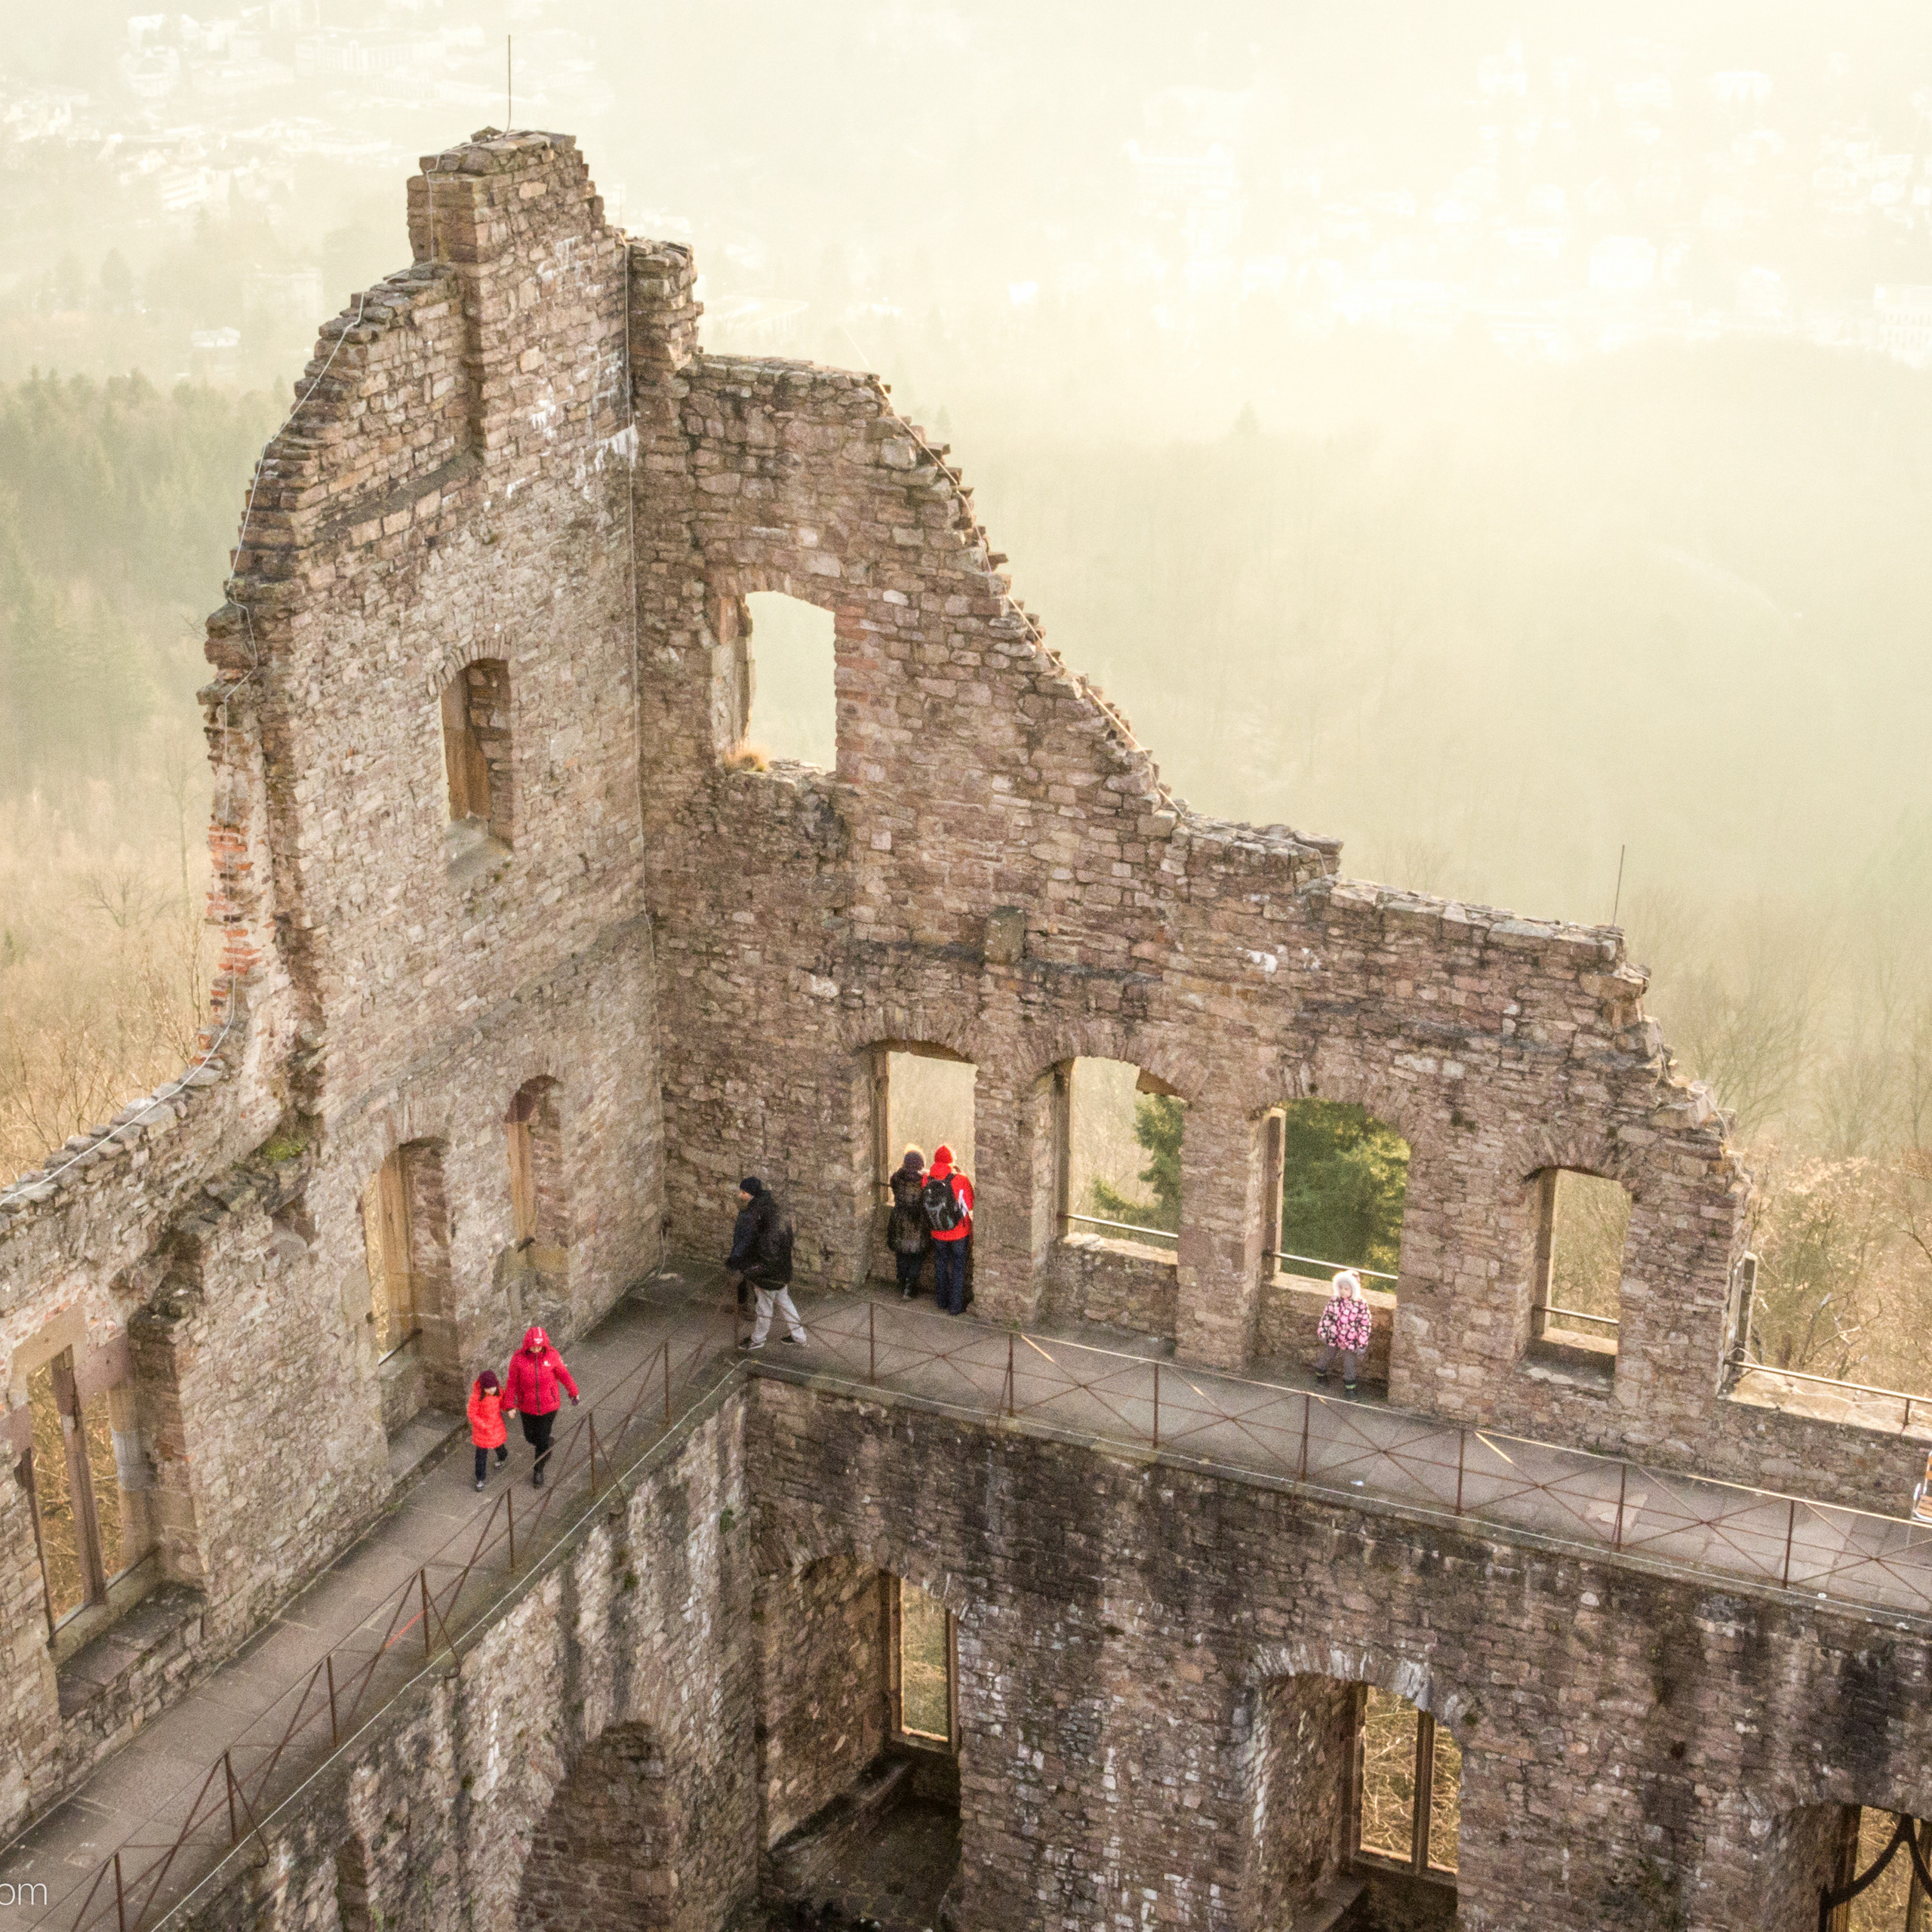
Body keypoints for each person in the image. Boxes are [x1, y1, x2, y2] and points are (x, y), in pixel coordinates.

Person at [729, 1176, 808, 1350]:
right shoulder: (774, 1211)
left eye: (744, 1193)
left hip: (769, 1276)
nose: (741, 1196)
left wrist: (749, 1271)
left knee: (764, 1309)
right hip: (782, 1270)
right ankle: (799, 1337)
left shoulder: (764, 1228)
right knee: (785, 1302)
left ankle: (758, 1339)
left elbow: (767, 1259)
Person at [504, 1324, 579, 1487]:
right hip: (527, 1407)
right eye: (533, 1346)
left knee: (542, 1441)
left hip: (549, 1406)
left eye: (539, 1346)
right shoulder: (518, 1359)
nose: (536, 1349)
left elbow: (564, 1375)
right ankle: (546, 1443)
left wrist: (573, 1392)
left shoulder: (552, 1356)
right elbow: (512, 1383)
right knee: (530, 1437)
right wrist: (509, 1405)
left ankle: (538, 1471)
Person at [924, 1143, 974, 1316]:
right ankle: (955, 1306)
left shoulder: (927, 1179)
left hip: (937, 1231)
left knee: (941, 1265)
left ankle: (941, 1301)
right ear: (952, 1160)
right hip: (959, 1232)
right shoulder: (960, 1179)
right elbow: (969, 1204)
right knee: (958, 1268)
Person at [1315, 1269, 1373, 1398]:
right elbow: (1327, 1317)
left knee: (1349, 1364)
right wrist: (1323, 1332)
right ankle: (1320, 1374)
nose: (1343, 1291)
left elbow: (1365, 1324)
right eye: (1341, 1288)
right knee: (1327, 1356)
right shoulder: (1335, 1300)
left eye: (1346, 1289)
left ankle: (1350, 1388)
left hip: (1351, 1341)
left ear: (1354, 1289)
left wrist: (1362, 1343)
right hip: (1334, 1336)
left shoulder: (1361, 1304)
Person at [887, 1146, 932, 1300]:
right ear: (921, 1164)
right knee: (916, 1257)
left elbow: (894, 1188)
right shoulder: (924, 1181)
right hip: (917, 1224)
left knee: (902, 1256)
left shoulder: (897, 1178)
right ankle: (910, 1288)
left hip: (899, 1223)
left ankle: (902, 1282)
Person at [467, 1367, 509, 1491]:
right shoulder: (476, 1397)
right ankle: (480, 1478)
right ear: (483, 1388)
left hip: (496, 1426)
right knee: (480, 1456)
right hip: (482, 1431)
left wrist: (510, 1409)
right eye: (488, 1388)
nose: (491, 1390)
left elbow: (503, 1403)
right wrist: (484, 1426)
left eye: (493, 1387)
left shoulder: (498, 1391)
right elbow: (472, 1414)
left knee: (498, 1445)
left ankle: (503, 1457)